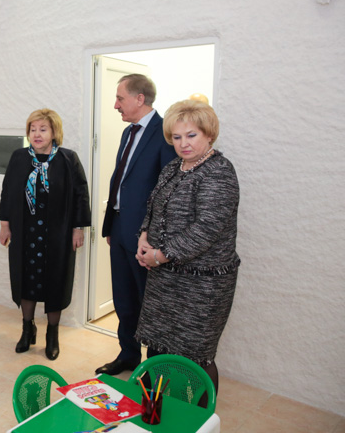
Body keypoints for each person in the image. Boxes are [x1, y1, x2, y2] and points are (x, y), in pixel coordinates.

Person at [134, 100, 240, 401]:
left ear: (209, 134)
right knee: (157, 348)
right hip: (164, 278)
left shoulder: (219, 172)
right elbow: (153, 207)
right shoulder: (173, 167)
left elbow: (206, 229)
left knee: (195, 357)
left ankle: (199, 419)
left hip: (202, 284)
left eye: (191, 135)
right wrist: (144, 236)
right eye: (177, 137)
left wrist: (158, 255)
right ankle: (153, 412)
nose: (183, 144)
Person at [96, 74, 176, 376]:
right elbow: (123, 181)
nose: (116, 105)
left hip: (146, 236)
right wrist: (110, 226)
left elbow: (167, 191)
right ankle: (128, 355)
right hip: (119, 228)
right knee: (124, 298)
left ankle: (155, 368)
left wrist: (154, 237)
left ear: (139, 98)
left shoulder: (165, 133)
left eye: (120, 98)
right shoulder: (127, 133)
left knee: (149, 303)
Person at [0, 108, 91, 360]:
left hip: (58, 234)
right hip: (25, 233)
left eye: (43, 129)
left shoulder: (67, 159)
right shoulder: (19, 157)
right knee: (26, 279)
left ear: (54, 132)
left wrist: (78, 228)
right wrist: (5, 224)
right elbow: (7, 192)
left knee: (55, 282)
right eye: (33, 129)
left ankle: (52, 335)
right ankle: (27, 329)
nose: (37, 134)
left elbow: (81, 195)